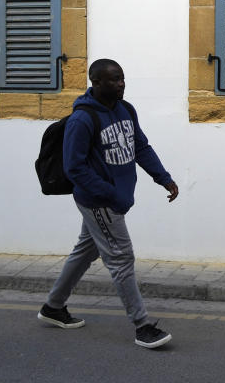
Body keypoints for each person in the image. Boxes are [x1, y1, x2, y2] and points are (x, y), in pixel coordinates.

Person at [38, 58, 180, 349]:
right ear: (96, 82)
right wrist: (111, 194)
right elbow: (74, 167)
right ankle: (142, 326)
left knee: (84, 252)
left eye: (122, 78)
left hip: (115, 199)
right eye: (114, 80)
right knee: (121, 259)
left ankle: (53, 307)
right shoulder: (82, 119)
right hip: (99, 202)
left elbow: (140, 146)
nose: (121, 84)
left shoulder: (126, 110)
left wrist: (163, 177)